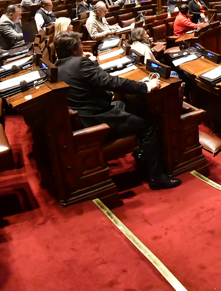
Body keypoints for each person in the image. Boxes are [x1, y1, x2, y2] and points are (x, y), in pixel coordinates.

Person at [54, 31, 179, 190]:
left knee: (123, 105)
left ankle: (142, 154)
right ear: (74, 50)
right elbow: (110, 81)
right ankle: (157, 177)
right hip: (95, 120)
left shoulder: (58, 66)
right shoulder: (80, 64)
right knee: (147, 126)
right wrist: (145, 86)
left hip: (87, 114)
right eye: (80, 44)